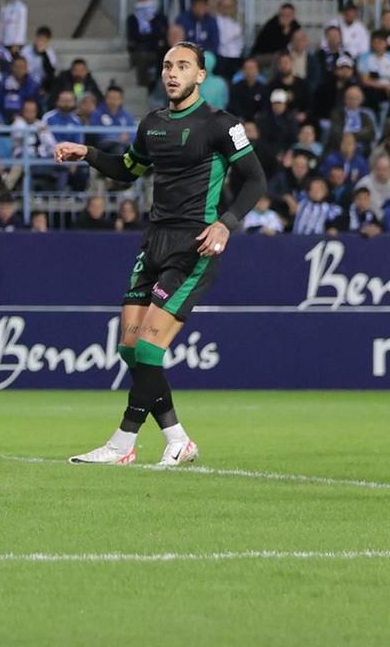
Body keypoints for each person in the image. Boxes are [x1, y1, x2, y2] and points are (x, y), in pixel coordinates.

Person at [52, 42, 267, 467]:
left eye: (183, 66)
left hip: (194, 243)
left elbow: (255, 180)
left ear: (200, 75)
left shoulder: (221, 124)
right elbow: (127, 169)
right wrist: (89, 153)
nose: (172, 73)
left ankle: (121, 444)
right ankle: (176, 438)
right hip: (154, 241)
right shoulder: (152, 123)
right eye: (168, 65)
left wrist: (225, 223)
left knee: (150, 350)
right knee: (130, 349)